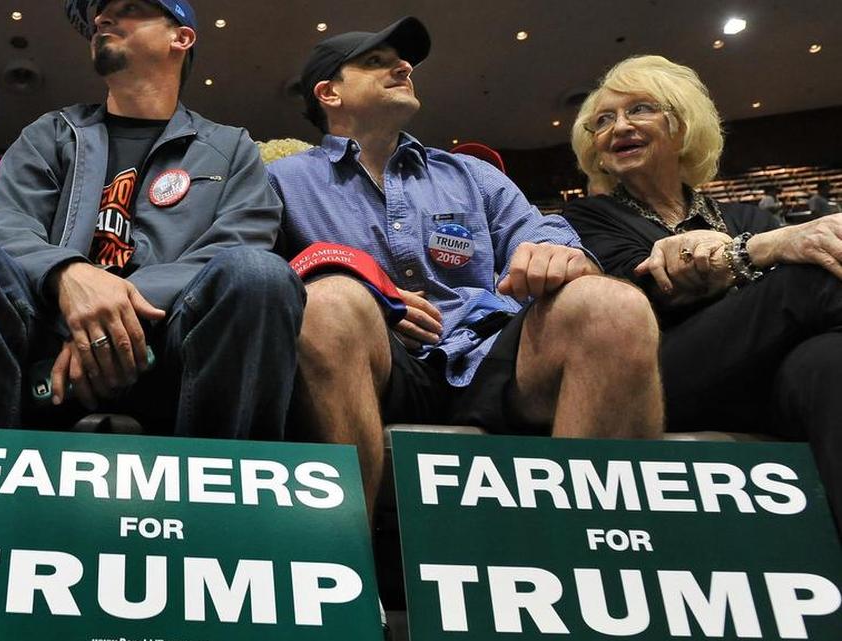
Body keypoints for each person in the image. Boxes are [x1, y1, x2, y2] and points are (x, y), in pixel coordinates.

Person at [267, 17, 664, 515]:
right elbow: (258, 275)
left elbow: (542, 231)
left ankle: (596, 564)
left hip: (490, 355)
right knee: (328, 304)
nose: (403, 68)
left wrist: (557, 253)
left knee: (612, 304)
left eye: (403, 63)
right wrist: (357, 284)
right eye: (376, 63)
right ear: (329, 93)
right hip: (375, 363)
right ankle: (343, 567)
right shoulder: (280, 181)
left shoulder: (470, 174)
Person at [0, 0, 303, 435]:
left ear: (182, 37)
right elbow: (5, 223)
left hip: (173, 344)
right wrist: (70, 277)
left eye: (130, 7)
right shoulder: (53, 132)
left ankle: (229, 489)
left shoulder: (230, 147)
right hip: (49, 347)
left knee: (259, 275)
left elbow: (240, 241)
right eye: (101, 14)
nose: (102, 19)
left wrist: (109, 305)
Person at [563, 54, 842, 529]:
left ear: (682, 121)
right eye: (602, 121)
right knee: (811, 275)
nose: (618, 128)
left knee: (829, 361)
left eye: (639, 110)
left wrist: (748, 250)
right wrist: (763, 252)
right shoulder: (586, 220)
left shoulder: (748, 218)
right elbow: (651, 290)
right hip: (662, 373)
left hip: (764, 377)